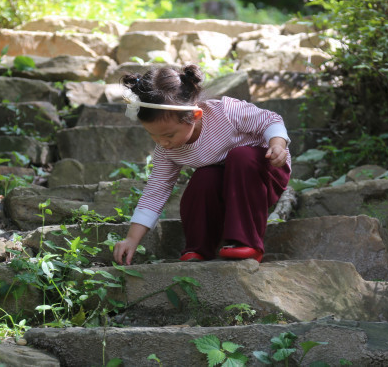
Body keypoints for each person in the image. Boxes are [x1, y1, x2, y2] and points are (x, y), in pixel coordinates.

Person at [112, 64, 291, 265]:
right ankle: (199, 247)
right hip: (225, 185)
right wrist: (131, 238)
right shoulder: (167, 150)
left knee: (240, 157)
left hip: (263, 172)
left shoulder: (225, 112)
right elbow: (156, 190)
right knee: (203, 179)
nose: (162, 142)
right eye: (153, 135)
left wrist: (277, 145)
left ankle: (247, 242)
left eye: (169, 135)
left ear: (194, 116)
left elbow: (270, 120)